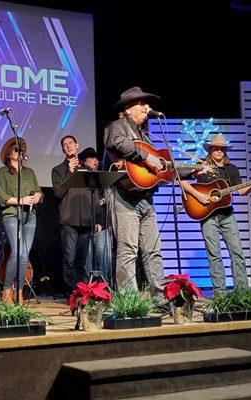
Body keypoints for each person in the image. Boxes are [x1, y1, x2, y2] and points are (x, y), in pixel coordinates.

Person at [180, 134, 251, 294]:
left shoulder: (231, 169)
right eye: (216, 148)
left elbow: (240, 191)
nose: (219, 151)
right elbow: (179, 179)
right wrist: (197, 194)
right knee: (214, 255)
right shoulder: (201, 166)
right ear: (210, 150)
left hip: (227, 215)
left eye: (222, 148)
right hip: (207, 216)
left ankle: (242, 292)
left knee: (237, 253)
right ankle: (220, 292)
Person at [103, 87, 165, 297]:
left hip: (146, 199)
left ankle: (160, 298)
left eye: (147, 103)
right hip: (124, 198)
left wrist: (187, 172)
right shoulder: (117, 126)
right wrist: (145, 157)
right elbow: (116, 142)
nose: (147, 107)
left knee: (153, 251)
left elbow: (151, 171)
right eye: (142, 103)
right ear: (128, 109)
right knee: (128, 251)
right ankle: (130, 303)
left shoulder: (145, 135)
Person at [0, 137, 42, 304]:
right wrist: (20, 200)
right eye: (16, 150)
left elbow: (38, 191)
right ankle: (7, 290)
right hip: (12, 215)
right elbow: (0, 196)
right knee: (17, 252)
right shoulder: (3, 172)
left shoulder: (29, 172)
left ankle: (19, 291)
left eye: (21, 150)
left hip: (30, 216)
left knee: (24, 256)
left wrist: (37, 196)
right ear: (9, 154)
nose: (19, 152)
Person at [52, 136, 102, 293]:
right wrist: (70, 172)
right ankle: (73, 291)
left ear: (77, 146)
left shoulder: (88, 170)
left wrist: (98, 219)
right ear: (62, 150)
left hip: (86, 221)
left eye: (71, 143)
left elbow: (95, 196)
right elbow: (58, 192)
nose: (68, 146)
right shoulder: (58, 170)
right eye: (65, 145)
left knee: (81, 261)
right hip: (69, 220)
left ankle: (82, 293)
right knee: (69, 260)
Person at [77, 147, 112, 282]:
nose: (96, 161)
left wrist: (101, 221)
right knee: (88, 258)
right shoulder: (83, 179)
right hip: (88, 223)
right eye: (92, 159)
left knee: (104, 257)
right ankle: (89, 287)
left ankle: (104, 285)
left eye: (96, 159)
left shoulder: (101, 179)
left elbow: (104, 203)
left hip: (103, 224)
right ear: (85, 162)